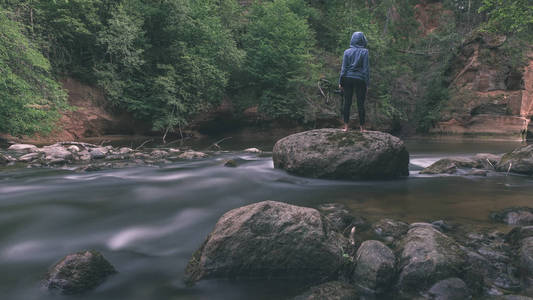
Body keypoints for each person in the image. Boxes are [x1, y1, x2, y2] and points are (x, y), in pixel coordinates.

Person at [339, 32, 370, 132]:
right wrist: (367, 83)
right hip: (360, 79)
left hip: (347, 78)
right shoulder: (365, 52)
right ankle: (362, 128)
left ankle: (346, 127)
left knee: (347, 102)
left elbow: (343, 69)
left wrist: (341, 81)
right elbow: (366, 69)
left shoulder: (346, 52)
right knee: (360, 103)